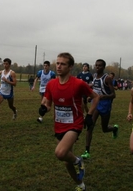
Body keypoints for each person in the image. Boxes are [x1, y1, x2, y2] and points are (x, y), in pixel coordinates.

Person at [39, 52, 100, 191]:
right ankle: (80, 185)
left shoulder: (78, 84)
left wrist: (89, 115)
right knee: (67, 162)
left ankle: (78, 161)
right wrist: (44, 109)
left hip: (74, 124)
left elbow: (96, 97)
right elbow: (48, 104)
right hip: (59, 125)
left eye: (63, 64)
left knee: (60, 153)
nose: (59, 66)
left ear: (70, 66)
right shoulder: (51, 84)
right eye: (58, 63)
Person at [81, 59, 118, 160]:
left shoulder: (107, 79)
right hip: (96, 104)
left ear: (103, 67)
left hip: (105, 105)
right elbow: (95, 89)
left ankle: (114, 129)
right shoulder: (93, 76)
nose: (97, 67)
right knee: (90, 126)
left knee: (104, 129)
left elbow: (113, 95)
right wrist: (91, 96)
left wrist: (102, 97)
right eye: (96, 65)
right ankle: (87, 151)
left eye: (100, 66)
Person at [0, 58, 17, 126]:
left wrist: (6, 81)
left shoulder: (12, 73)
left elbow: (15, 84)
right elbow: (2, 81)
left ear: (9, 65)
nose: (5, 65)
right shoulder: (1, 72)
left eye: (7, 64)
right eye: (4, 63)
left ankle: (15, 111)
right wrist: (0, 84)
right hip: (1, 92)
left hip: (9, 93)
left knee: (11, 106)